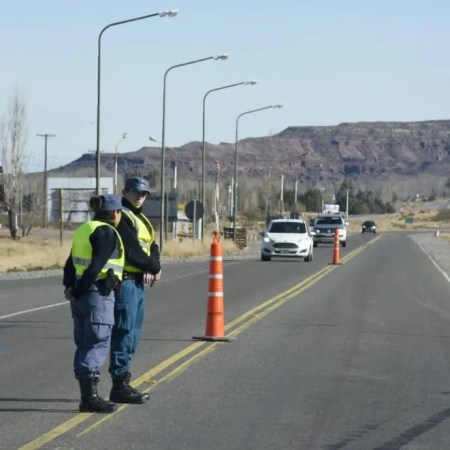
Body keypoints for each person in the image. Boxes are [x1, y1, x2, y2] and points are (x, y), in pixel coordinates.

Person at [63, 194, 124, 414]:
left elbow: (70, 264)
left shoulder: (84, 229)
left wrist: (70, 288)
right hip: (97, 293)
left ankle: (86, 396)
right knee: (97, 341)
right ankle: (90, 398)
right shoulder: (106, 232)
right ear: (115, 213)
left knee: (84, 342)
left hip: (81, 295)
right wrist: (80, 289)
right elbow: (96, 266)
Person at [109, 176, 161, 404]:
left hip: (138, 282)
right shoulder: (121, 216)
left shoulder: (141, 218)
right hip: (126, 281)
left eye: (144, 194)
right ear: (125, 192)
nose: (140, 197)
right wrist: (153, 266)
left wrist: (155, 265)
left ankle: (124, 382)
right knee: (124, 332)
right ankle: (119, 385)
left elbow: (152, 247)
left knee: (134, 334)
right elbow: (131, 250)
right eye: (136, 192)